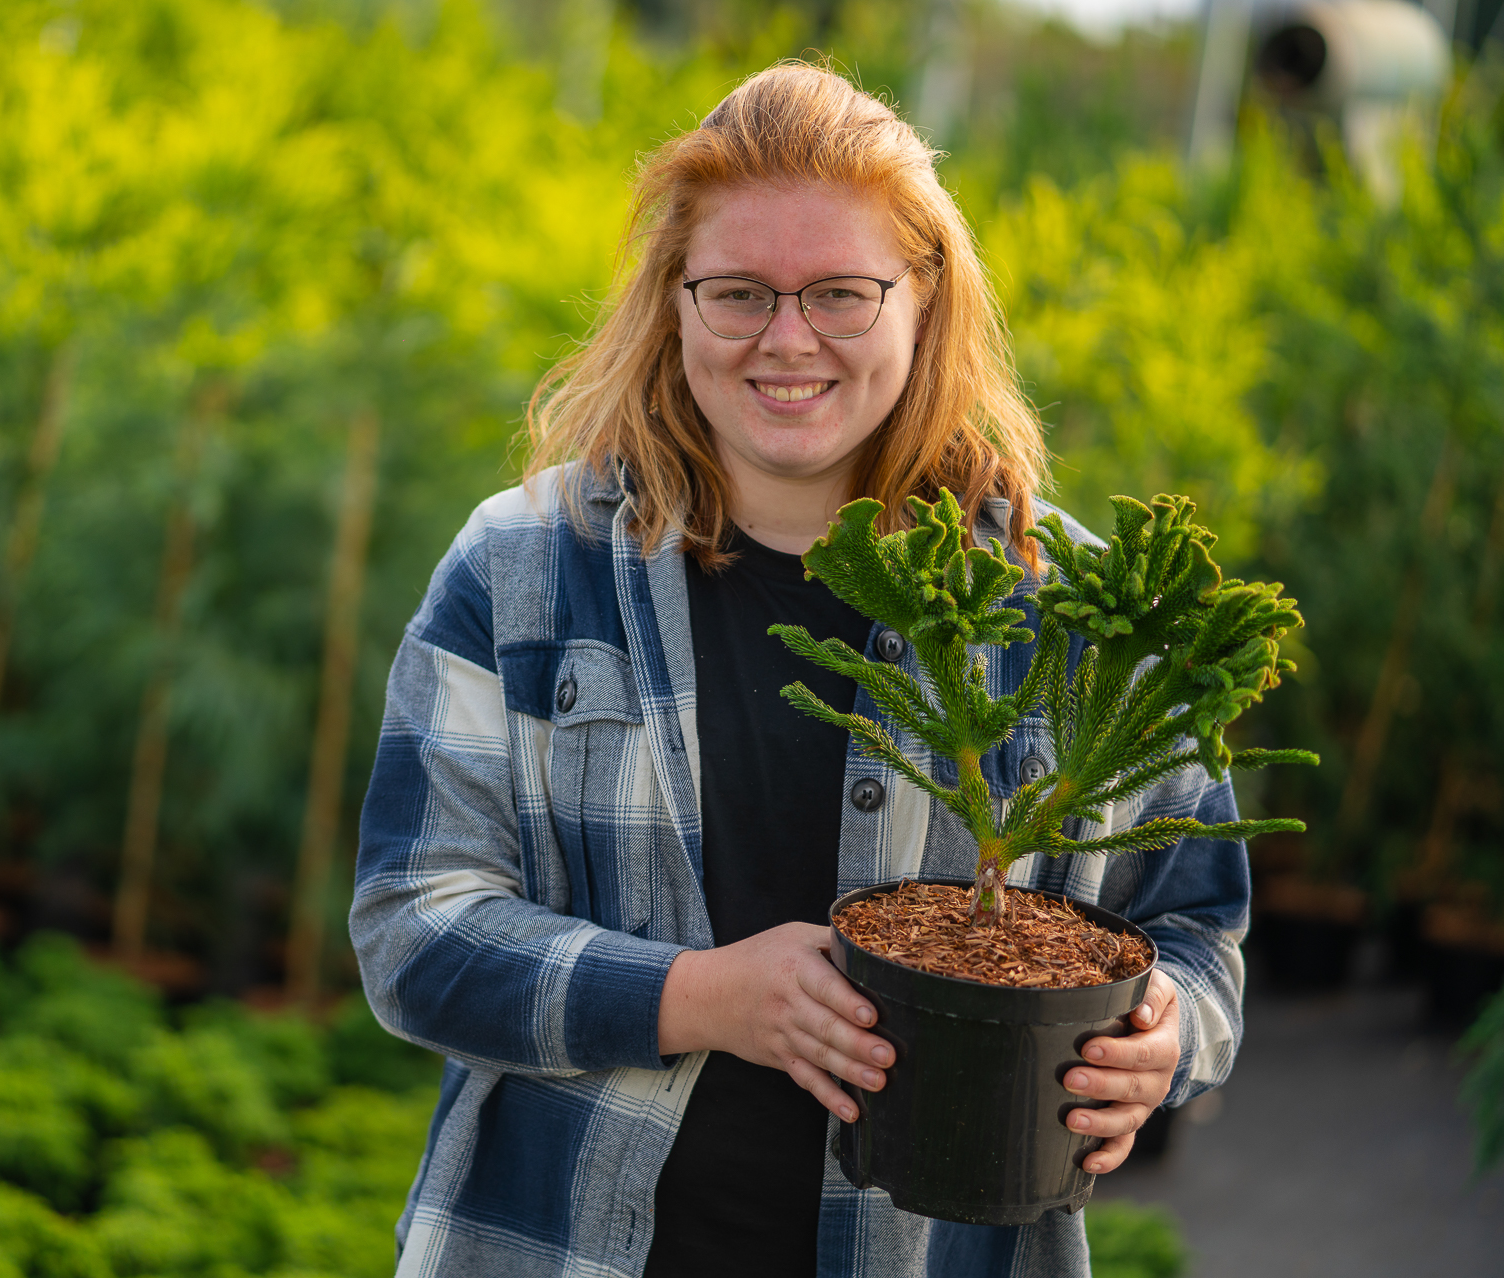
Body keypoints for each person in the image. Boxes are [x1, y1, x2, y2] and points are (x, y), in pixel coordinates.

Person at [350, 62, 1247, 1278]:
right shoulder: (522, 569)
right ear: (673, 301)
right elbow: (412, 929)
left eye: (839, 292)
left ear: (923, 300)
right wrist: (696, 996)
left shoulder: (1073, 608)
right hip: (557, 1244)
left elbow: (1195, 935)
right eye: (737, 293)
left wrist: (1161, 1041)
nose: (786, 339)